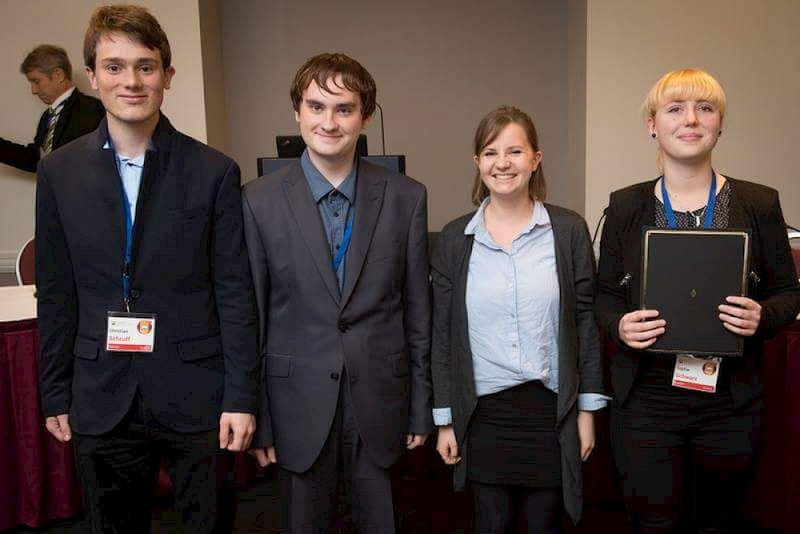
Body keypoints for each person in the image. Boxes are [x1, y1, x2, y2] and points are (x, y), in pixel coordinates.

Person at [36, 5, 259, 532]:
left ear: (167, 76)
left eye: (146, 66)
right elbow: (57, 292)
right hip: (100, 390)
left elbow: (234, 291)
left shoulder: (214, 172)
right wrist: (55, 391)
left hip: (197, 392)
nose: (130, 80)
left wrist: (241, 396)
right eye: (113, 66)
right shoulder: (58, 173)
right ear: (92, 76)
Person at [595, 68, 800, 533]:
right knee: (653, 523)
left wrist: (763, 316)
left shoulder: (758, 202)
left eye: (705, 108)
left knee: (718, 524)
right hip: (646, 399)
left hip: (730, 401)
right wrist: (619, 326)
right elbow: (604, 297)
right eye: (675, 109)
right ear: (653, 124)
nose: (691, 119)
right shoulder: (624, 206)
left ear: (720, 124)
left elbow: (789, 293)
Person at [243, 52, 433, 533]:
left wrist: (420, 407)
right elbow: (254, 318)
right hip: (294, 407)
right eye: (316, 106)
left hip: (381, 403)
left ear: (364, 117)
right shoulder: (257, 199)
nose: (329, 122)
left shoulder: (406, 197)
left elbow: (418, 313)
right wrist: (260, 418)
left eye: (344, 109)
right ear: (297, 111)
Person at [431, 105, 606, 533]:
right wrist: (445, 419)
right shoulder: (455, 239)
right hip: (482, 415)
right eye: (491, 153)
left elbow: (586, 321)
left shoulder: (567, 231)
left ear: (535, 159)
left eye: (515, 151)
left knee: (543, 525)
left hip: (551, 412)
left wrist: (587, 412)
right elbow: (442, 334)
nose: (503, 163)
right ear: (478, 163)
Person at [1, 44, 104, 172]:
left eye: (36, 81)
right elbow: (39, 161)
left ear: (58, 75)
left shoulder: (91, 109)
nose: (33, 90)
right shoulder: (47, 116)